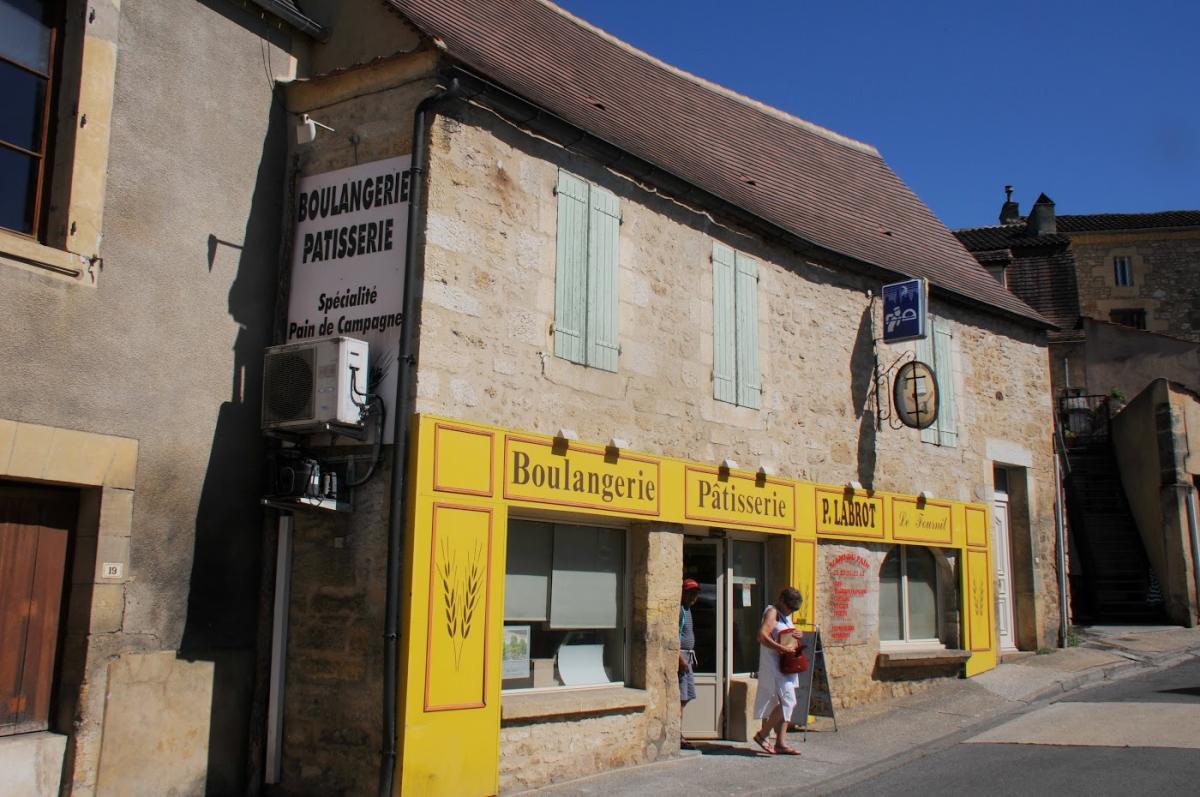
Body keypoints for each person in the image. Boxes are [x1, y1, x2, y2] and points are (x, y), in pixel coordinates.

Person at [752, 587, 805, 756]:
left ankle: (781, 742)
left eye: (793, 609)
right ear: (781, 599)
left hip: (785, 666)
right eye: (790, 607)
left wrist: (798, 634)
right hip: (775, 666)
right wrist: (780, 648)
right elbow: (761, 636)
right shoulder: (772, 612)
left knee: (783, 704)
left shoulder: (785, 615)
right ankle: (763, 735)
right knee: (788, 701)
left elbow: (786, 634)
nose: (791, 611)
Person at [678, 577, 701, 750]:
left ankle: (679, 732)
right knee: (681, 697)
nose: (694, 597)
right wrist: (681, 659)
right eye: (690, 593)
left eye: (695, 593)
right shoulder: (680, 611)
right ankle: (678, 734)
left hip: (687, 658)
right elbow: (674, 635)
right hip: (683, 658)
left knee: (686, 697)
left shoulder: (688, 610)